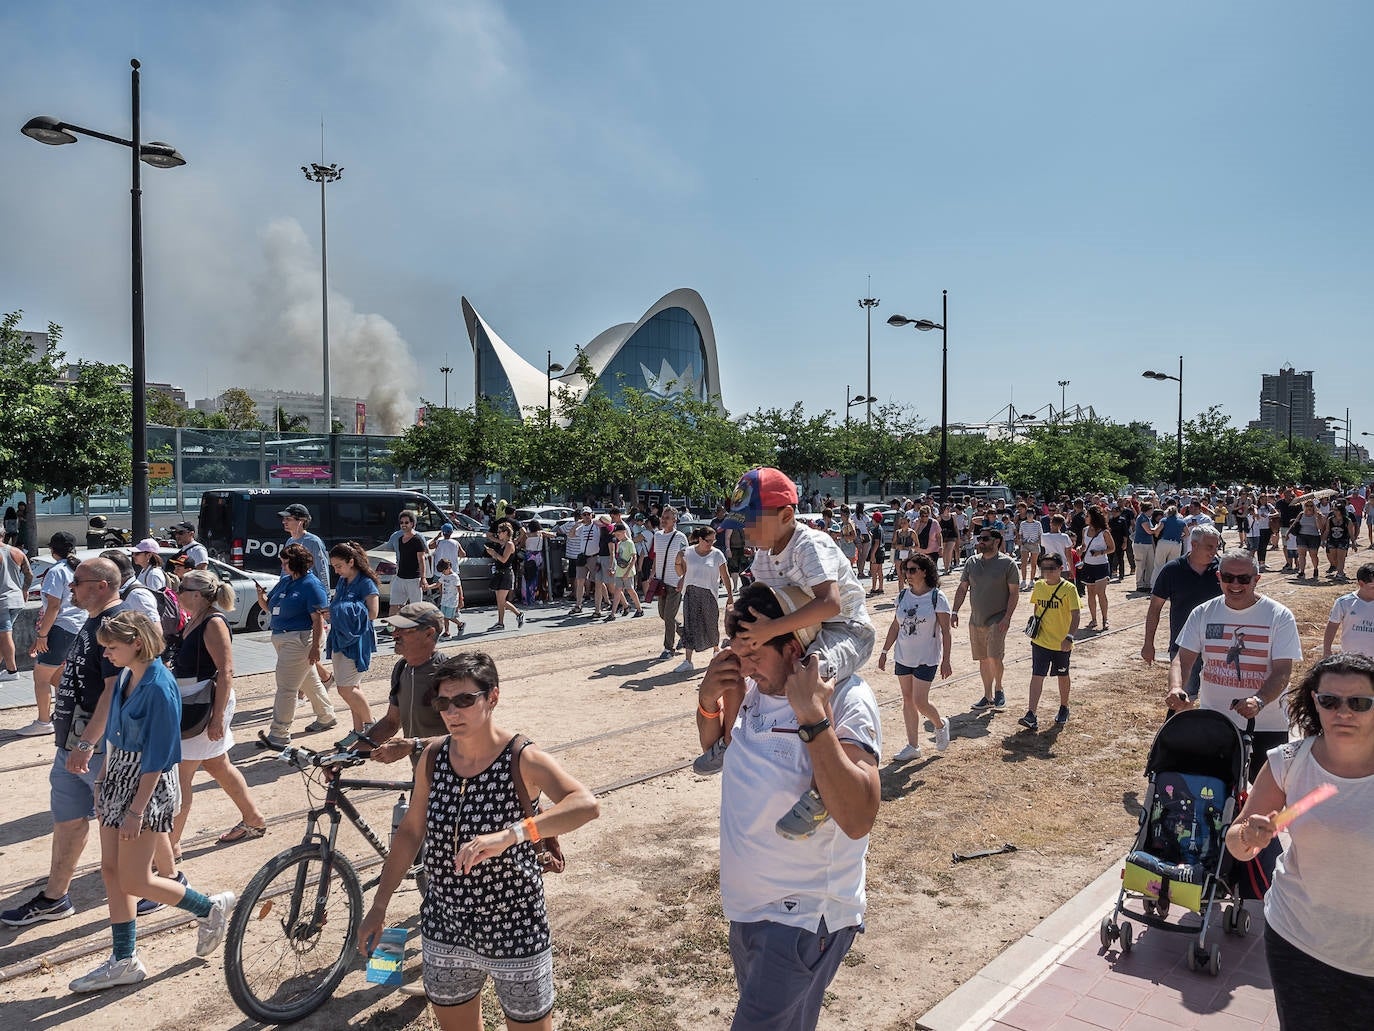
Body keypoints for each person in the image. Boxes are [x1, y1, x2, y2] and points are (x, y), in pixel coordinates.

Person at [357, 652, 600, 1029]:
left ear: (493, 697)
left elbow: (585, 805)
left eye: (464, 700)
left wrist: (514, 833)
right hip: (444, 926)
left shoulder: (521, 757)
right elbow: (410, 831)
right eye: (443, 703)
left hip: (515, 926)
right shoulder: (433, 758)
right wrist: (379, 905)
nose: (452, 712)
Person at [698, 583, 880, 1030]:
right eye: (736, 651)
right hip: (748, 911)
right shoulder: (752, 689)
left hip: (803, 914)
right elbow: (721, 749)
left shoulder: (844, 699)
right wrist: (707, 704)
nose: (743, 665)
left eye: (754, 652)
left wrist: (813, 719)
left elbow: (858, 817)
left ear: (794, 644)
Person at [64, 610, 235, 992]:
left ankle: (209, 908)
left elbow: (160, 753)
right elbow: (115, 731)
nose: (106, 653)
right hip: (118, 776)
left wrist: (137, 809)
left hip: (147, 784)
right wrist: (104, 776)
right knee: (111, 871)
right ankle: (124, 958)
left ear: (136, 643)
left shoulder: (159, 685)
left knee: (136, 878)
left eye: (112, 647)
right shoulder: (128, 674)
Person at [699, 467, 874, 841]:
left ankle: (821, 792)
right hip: (802, 627)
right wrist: (742, 626)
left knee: (813, 673)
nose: (744, 531)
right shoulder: (765, 554)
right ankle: (728, 741)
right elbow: (766, 599)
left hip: (846, 629)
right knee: (736, 657)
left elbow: (830, 604)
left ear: (786, 515)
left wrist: (769, 631)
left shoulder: (809, 544)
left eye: (750, 522)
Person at [1, 558, 176, 928]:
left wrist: (86, 744)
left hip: (95, 749)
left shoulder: (116, 628)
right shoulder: (90, 623)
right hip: (72, 744)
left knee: (132, 821)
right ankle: (55, 896)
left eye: (77, 582)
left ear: (100, 585)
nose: (70, 588)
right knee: (68, 821)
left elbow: (113, 691)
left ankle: (168, 881)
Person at [1223, 653, 1374, 1029]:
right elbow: (1237, 844)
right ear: (1314, 702)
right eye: (1330, 701)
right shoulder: (1288, 762)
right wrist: (1249, 836)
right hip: (1297, 941)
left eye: (1360, 703)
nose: (1344, 712)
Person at [1166, 549, 1302, 779]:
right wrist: (1176, 688)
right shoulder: (1203, 613)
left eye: (1243, 579)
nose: (1235, 584)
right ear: (1219, 577)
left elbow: (1282, 672)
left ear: (1256, 579)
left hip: (1266, 725)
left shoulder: (1279, 616)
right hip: (1216, 723)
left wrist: (1259, 701)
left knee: (1263, 802)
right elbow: (1182, 659)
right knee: (1214, 796)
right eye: (1228, 578)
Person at [169, 569, 266, 853]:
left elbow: (226, 672)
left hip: (203, 705)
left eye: (182, 588)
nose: (177, 592)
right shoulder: (198, 618)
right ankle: (253, 818)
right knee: (217, 764)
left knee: (180, 775)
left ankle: (170, 848)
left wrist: (217, 718)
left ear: (197, 594)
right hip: (194, 702)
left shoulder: (213, 622)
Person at [255, 543, 336, 749]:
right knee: (308, 680)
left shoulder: (311, 584)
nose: (282, 565)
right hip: (284, 638)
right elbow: (269, 606)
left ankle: (279, 733)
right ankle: (326, 716)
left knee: (286, 687)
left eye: (285, 562)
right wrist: (261, 597)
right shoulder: (286, 581)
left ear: (295, 563)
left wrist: (316, 647)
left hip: (300, 639)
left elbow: (317, 619)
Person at [877, 552, 952, 759]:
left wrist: (946, 659)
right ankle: (913, 746)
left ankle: (940, 724)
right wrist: (884, 652)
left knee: (920, 701)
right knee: (907, 700)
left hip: (927, 657)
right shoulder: (902, 596)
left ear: (924, 572)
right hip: (903, 656)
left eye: (912, 570)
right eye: (905, 570)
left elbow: (946, 630)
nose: (907, 574)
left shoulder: (937, 597)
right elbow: (895, 625)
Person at [359, 602, 452, 764]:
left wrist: (413, 746)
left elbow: (468, 737)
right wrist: (345, 756)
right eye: (394, 629)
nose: (394, 634)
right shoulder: (402, 669)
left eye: (403, 630)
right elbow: (391, 722)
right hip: (421, 777)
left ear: (429, 634)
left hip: (453, 779)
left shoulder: (450, 674)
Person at [1142, 525, 1224, 700]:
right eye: (1209, 547)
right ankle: (1183, 726)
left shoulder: (1223, 571)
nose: (1214, 552)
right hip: (1184, 645)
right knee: (1183, 697)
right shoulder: (1172, 570)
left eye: (1216, 547)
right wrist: (1148, 644)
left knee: (1220, 698)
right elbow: (1155, 608)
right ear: (1193, 545)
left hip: (1219, 646)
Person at [18, 531, 86, 737]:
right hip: (77, 626)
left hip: (60, 628)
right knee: (59, 676)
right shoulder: (78, 569)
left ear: (52, 549)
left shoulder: (56, 571)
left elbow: (53, 606)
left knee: (41, 677)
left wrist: (41, 635)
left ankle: (43, 721)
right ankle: (68, 712)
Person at [950, 526, 1020, 713]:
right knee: (983, 659)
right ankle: (987, 696)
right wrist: (954, 611)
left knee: (994, 657)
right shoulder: (971, 562)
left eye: (985, 539)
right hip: (976, 619)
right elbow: (963, 588)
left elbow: (1014, 593)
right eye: (979, 538)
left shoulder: (1008, 564)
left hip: (998, 619)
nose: (980, 542)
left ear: (996, 541)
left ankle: (999, 690)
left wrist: (1007, 618)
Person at [1016, 552, 1082, 731]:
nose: (1047, 572)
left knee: (1062, 675)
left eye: (1051, 568)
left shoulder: (1069, 588)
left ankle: (1064, 706)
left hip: (1062, 643)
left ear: (1061, 568)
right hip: (1040, 642)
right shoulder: (1038, 586)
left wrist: (1069, 637)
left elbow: (1076, 614)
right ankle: (1031, 714)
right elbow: (1037, 609)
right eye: (1043, 568)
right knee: (1037, 675)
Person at [326, 541, 380, 733]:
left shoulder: (366, 583)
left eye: (338, 566)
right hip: (340, 638)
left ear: (351, 562)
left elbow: (373, 613)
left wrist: (342, 611)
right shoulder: (342, 581)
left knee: (346, 688)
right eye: (334, 567)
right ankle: (359, 731)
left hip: (357, 640)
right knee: (353, 688)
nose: (336, 571)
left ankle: (371, 726)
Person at [674, 525, 732, 673]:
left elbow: (725, 576)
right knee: (690, 625)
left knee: (711, 623)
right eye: (708, 540)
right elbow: (680, 571)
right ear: (700, 539)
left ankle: (716, 652)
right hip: (691, 592)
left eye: (713, 540)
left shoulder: (717, 554)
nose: (711, 543)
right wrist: (678, 562)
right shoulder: (688, 552)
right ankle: (688, 660)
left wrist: (730, 595)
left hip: (709, 593)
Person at [651, 507, 689, 659]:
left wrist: (683, 578)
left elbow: (686, 559)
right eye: (663, 516)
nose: (663, 519)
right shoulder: (657, 536)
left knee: (668, 616)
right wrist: (653, 573)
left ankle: (668, 649)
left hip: (675, 582)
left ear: (675, 520)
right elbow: (657, 557)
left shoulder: (680, 537)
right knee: (663, 614)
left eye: (667, 517)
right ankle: (683, 633)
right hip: (661, 582)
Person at [0, 535, 34, 681]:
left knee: (5, 635)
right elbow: (29, 574)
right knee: (3, 636)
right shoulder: (17, 552)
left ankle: (12, 671)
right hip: (16, 599)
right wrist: (25, 590)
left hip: (2, 600)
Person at [1323, 562, 1374, 658]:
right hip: (1351, 658)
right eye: (1373, 587)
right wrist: (1326, 650)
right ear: (1361, 584)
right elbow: (1332, 626)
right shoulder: (1344, 603)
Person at [385, 510, 432, 614]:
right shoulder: (399, 539)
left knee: (415, 608)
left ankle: (416, 629)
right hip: (399, 577)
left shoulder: (417, 539)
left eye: (406, 522)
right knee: (394, 605)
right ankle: (391, 628)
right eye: (401, 523)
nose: (404, 525)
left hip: (414, 579)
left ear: (412, 524)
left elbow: (421, 560)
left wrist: (423, 579)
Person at [1078, 505, 1115, 630]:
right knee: (1090, 593)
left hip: (1101, 565)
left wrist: (1100, 552)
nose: (1085, 517)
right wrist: (1080, 549)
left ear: (1093, 517)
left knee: (1101, 593)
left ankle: (1105, 619)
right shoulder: (1084, 530)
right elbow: (1084, 545)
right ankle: (1094, 619)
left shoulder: (1104, 532)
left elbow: (1112, 548)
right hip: (1088, 565)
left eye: (1087, 515)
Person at [484, 521, 524, 631]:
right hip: (499, 572)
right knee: (499, 600)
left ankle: (518, 613)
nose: (498, 534)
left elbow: (503, 559)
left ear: (506, 532)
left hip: (506, 573)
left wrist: (493, 553)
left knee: (501, 600)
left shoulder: (509, 544)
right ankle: (500, 622)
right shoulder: (503, 543)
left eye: (500, 532)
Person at [605, 520, 645, 621]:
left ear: (624, 532)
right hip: (619, 571)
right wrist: (614, 569)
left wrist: (627, 572)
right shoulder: (619, 543)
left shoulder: (629, 543)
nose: (617, 536)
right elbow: (618, 558)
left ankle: (639, 609)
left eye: (618, 534)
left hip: (628, 572)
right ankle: (613, 613)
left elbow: (633, 558)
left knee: (630, 590)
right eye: (616, 534)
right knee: (618, 591)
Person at [565, 508, 599, 614]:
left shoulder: (597, 525)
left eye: (588, 514)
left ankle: (606, 601)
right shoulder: (582, 527)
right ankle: (578, 605)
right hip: (582, 557)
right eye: (584, 514)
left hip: (593, 557)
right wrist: (577, 524)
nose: (586, 516)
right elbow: (570, 535)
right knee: (580, 581)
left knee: (598, 582)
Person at [1290, 497, 1325, 582]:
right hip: (1302, 536)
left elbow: (1320, 527)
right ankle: (1301, 571)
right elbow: (1294, 524)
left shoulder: (1318, 515)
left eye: (1311, 505)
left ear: (1314, 506)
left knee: (1313, 555)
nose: (1309, 507)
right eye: (1307, 505)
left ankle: (1316, 569)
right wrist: (1288, 533)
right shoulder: (1301, 514)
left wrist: (1316, 517)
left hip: (1314, 536)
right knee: (1302, 554)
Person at [1015, 502, 1043, 591]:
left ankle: (1031, 580)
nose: (1029, 515)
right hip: (1025, 545)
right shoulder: (1023, 523)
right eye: (1028, 514)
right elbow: (1020, 534)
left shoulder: (1038, 524)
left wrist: (1037, 542)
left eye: (1031, 514)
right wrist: (1021, 541)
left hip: (1034, 545)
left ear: (1033, 515)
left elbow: (1040, 535)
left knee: (1033, 564)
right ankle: (1023, 580)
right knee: (1024, 563)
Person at [1152, 505, 1186, 578]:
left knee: (1159, 564)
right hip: (1176, 543)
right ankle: (1171, 584)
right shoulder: (1181, 521)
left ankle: (1155, 583)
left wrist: (1156, 536)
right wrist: (1180, 537)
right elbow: (1187, 533)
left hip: (1164, 542)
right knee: (1172, 565)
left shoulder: (1164, 520)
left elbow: (1157, 530)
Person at [435, 558, 465, 637]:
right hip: (444, 600)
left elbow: (459, 589)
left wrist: (461, 600)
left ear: (448, 568)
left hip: (452, 600)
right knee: (445, 617)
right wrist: (427, 587)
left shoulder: (454, 577)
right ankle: (447, 632)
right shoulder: (444, 575)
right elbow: (438, 584)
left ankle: (460, 624)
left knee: (449, 616)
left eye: (443, 571)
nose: (443, 573)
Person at [1324, 503, 1353, 581]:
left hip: (1343, 540)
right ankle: (1338, 569)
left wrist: (1353, 542)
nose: (1334, 511)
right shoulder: (1330, 519)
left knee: (1341, 557)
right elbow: (1327, 530)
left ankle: (1340, 572)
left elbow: (1351, 532)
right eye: (1334, 509)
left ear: (1341, 511)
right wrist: (1323, 539)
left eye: (1336, 510)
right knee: (1333, 557)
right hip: (1332, 540)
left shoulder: (1347, 520)